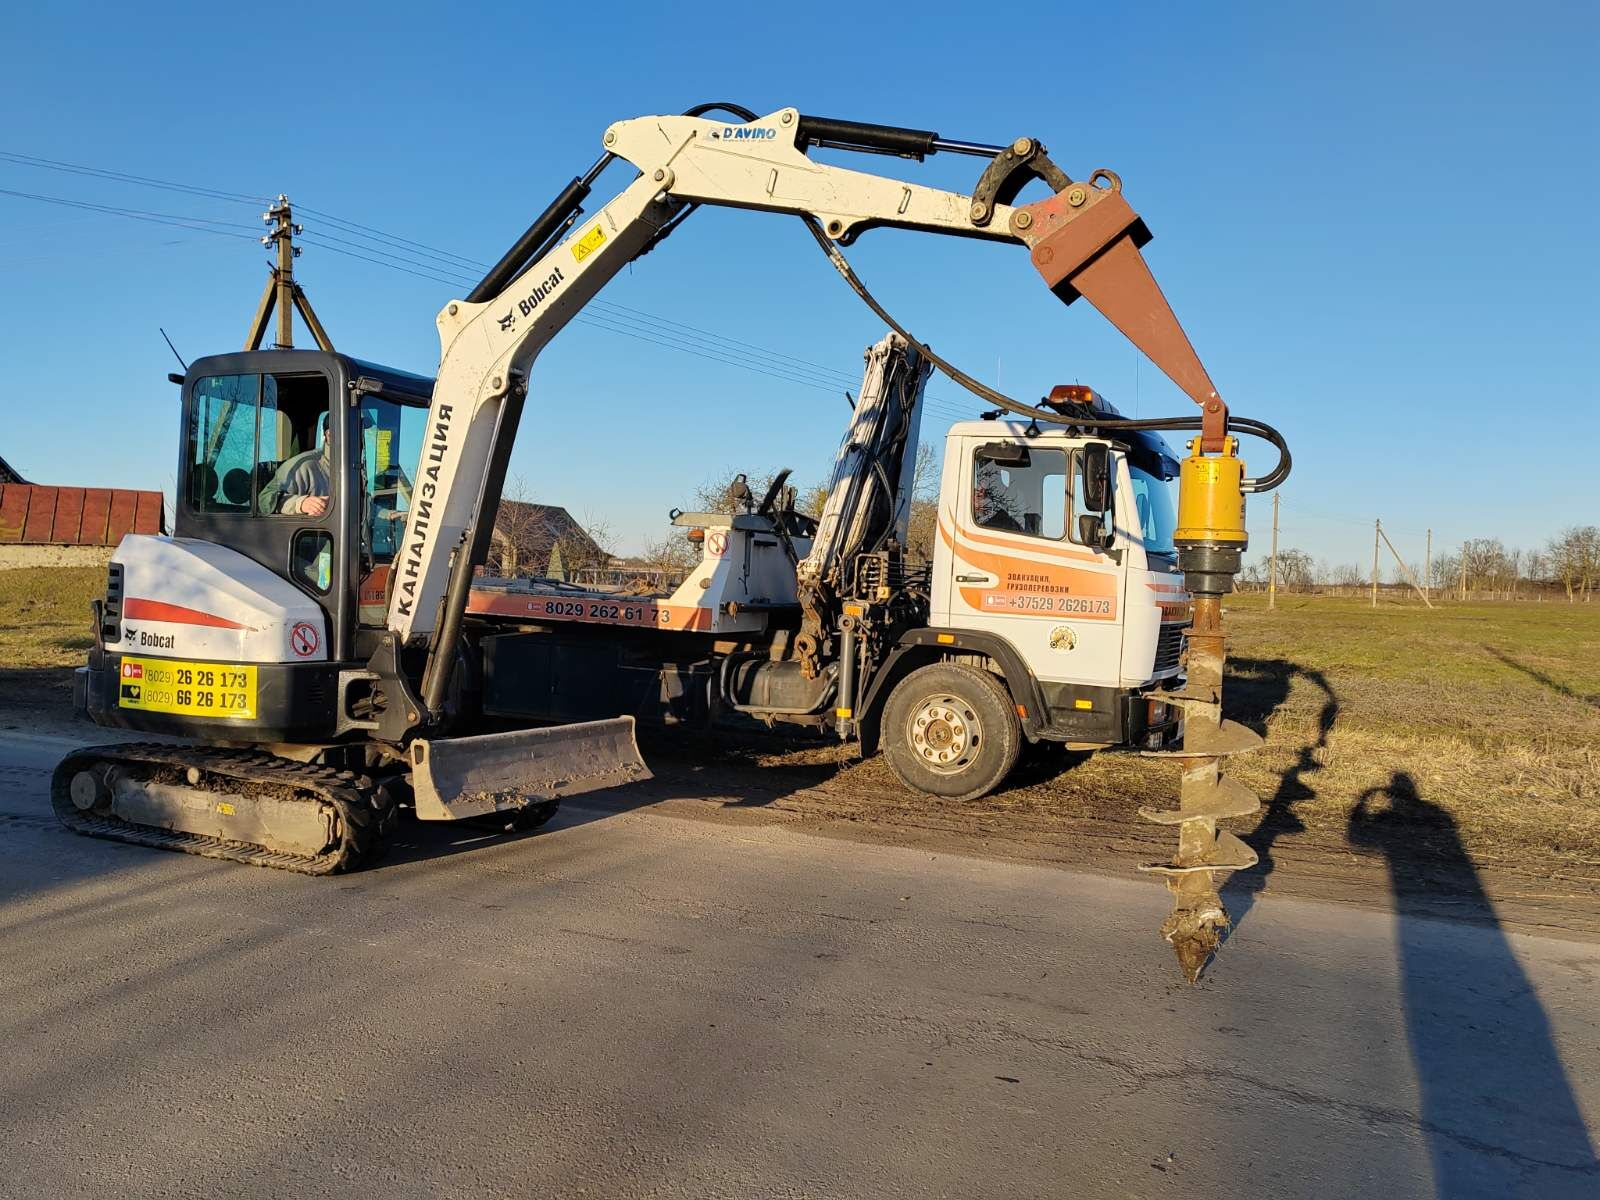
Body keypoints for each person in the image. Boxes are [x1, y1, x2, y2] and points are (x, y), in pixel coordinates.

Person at [260, 415, 331, 516]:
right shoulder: (304, 465)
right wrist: (301, 504)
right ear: (329, 434)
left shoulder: (357, 467)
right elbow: (264, 500)